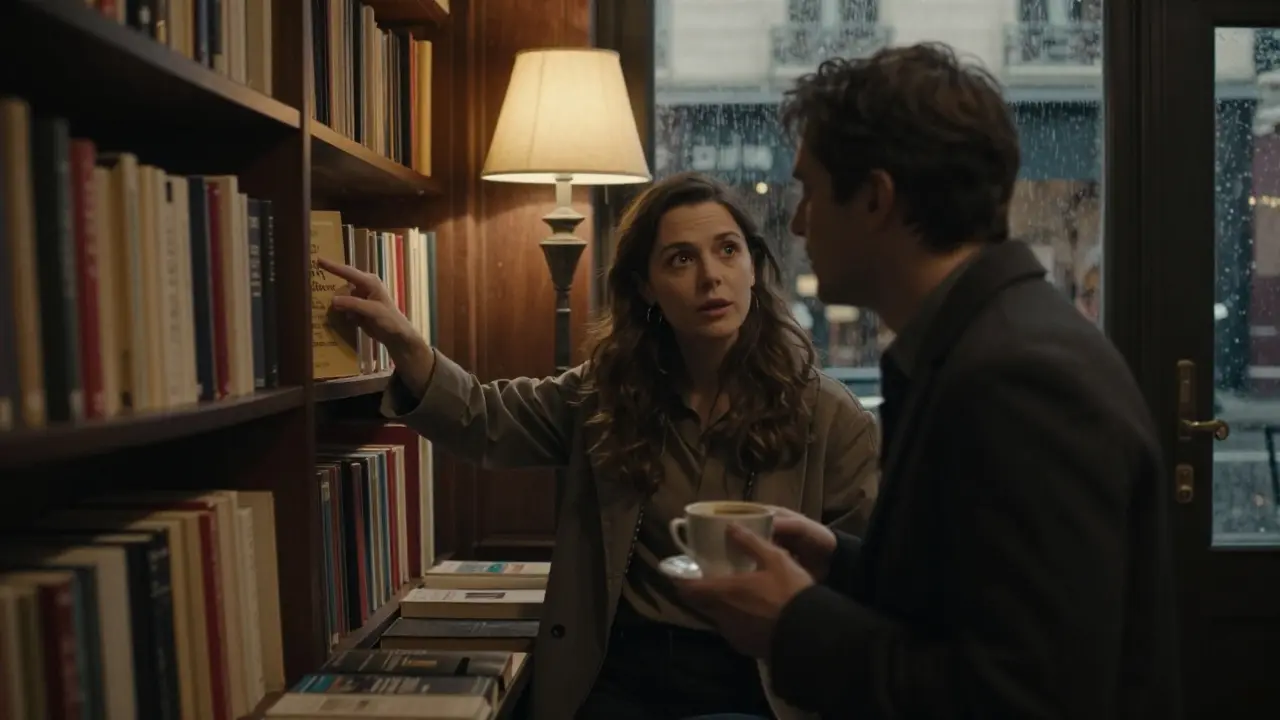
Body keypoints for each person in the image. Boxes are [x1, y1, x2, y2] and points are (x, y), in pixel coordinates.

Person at [675, 42, 1180, 719]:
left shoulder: (1021, 379)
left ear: (877, 200)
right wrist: (841, 567)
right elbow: (974, 606)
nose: (798, 222)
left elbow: (1026, 698)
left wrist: (793, 623)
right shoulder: (984, 343)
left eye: (811, 191)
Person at [318, 171, 880, 720]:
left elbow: (866, 582)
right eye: (681, 259)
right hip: (622, 673)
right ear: (645, 287)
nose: (711, 276)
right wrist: (403, 337)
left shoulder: (828, 415)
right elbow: (481, 418)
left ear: (753, 269)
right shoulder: (605, 394)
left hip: (759, 678)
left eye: (728, 250)